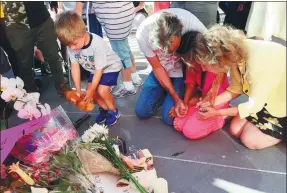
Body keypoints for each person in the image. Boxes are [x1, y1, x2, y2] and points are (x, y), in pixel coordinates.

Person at [189, 25, 286, 149]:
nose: (203, 69)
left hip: (281, 105)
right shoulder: (234, 53)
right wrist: (211, 102)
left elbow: (253, 106)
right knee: (235, 130)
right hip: (266, 98)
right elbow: (236, 88)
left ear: (217, 60)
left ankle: (281, 132)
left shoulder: (256, 65)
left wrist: (217, 112)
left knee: (249, 140)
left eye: (204, 65)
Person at [135, 8, 207, 126]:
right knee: (141, 112)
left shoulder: (191, 24)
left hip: (182, 72)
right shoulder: (143, 33)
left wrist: (188, 99)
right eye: (163, 48)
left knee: (168, 119)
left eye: (173, 48)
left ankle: (167, 92)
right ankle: (165, 92)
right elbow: (157, 67)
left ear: (180, 31)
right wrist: (175, 97)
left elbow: (212, 57)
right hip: (161, 69)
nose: (168, 52)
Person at [55, 11, 122, 126]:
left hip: (110, 67)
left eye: (74, 44)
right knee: (92, 93)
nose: (72, 48)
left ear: (82, 33)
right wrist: (78, 89)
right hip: (94, 70)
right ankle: (104, 109)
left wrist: (90, 90)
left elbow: (100, 70)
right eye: (68, 45)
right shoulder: (72, 44)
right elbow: (74, 66)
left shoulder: (97, 44)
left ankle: (114, 111)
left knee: (101, 90)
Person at [75, 2, 143, 98]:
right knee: (124, 47)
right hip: (122, 14)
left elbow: (79, 5)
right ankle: (135, 78)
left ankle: (128, 85)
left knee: (120, 53)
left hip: (115, 19)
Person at [172, 31, 230, 139]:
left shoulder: (213, 63)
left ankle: (220, 118)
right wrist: (185, 104)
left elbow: (216, 89)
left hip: (217, 99)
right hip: (201, 100)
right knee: (178, 124)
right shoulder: (192, 62)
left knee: (190, 132)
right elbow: (190, 84)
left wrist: (209, 103)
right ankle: (200, 115)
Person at [2, 2, 69, 94]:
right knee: (24, 63)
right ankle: (31, 92)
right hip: (16, 26)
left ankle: (61, 84)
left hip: (42, 18)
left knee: (53, 55)